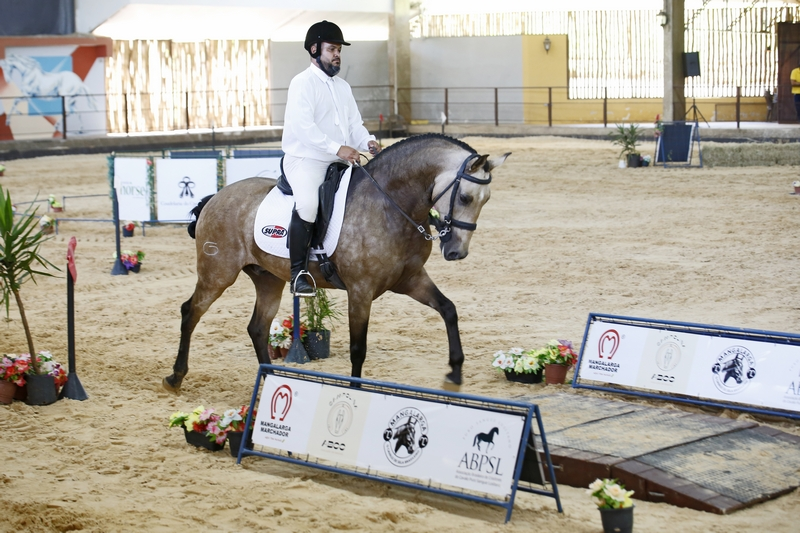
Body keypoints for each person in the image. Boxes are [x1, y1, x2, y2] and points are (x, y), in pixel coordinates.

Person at [282, 20, 381, 297]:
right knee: (309, 204)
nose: (337, 55)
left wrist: (366, 141)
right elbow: (304, 129)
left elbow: (354, 124)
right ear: (314, 49)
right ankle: (298, 273)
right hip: (306, 160)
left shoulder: (343, 87)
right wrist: (338, 148)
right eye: (332, 49)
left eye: (339, 50)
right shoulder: (301, 83)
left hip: (339, 160)